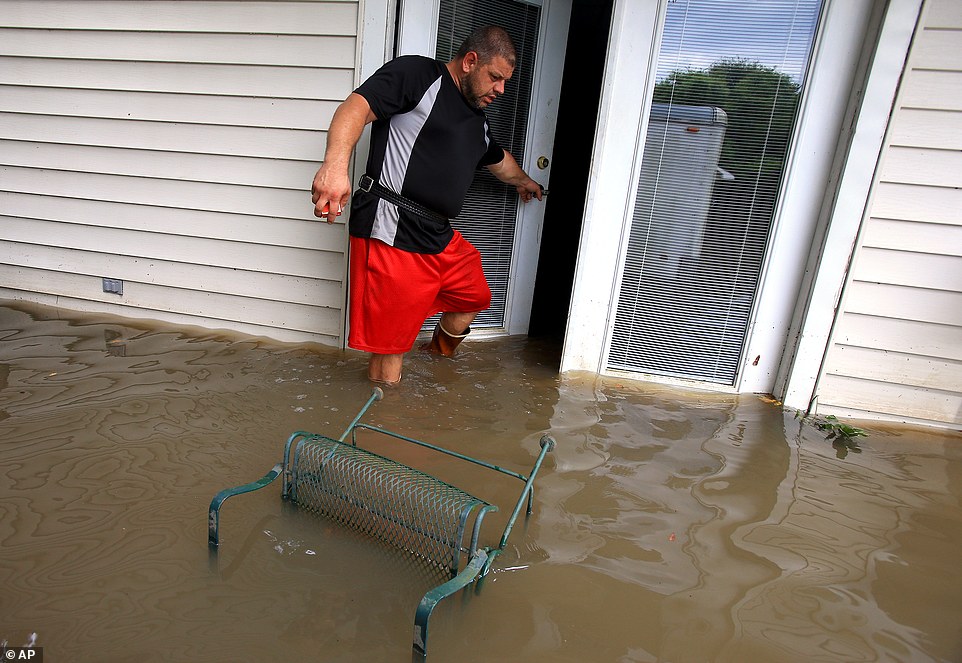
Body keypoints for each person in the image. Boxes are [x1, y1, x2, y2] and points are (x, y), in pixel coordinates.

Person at [311, 25, 543, 385]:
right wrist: (335, 166)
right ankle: (383, 423)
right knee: (390, 353)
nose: (500, 90)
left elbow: (500, 162)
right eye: (495, 78)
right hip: (394, 225)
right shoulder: (420, 75)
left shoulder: (477, 122)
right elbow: (355, 108)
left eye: (505, 82)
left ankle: (436, 363)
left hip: (438, 233)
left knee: (473, 296)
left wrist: (526, 182)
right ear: (470, 61)